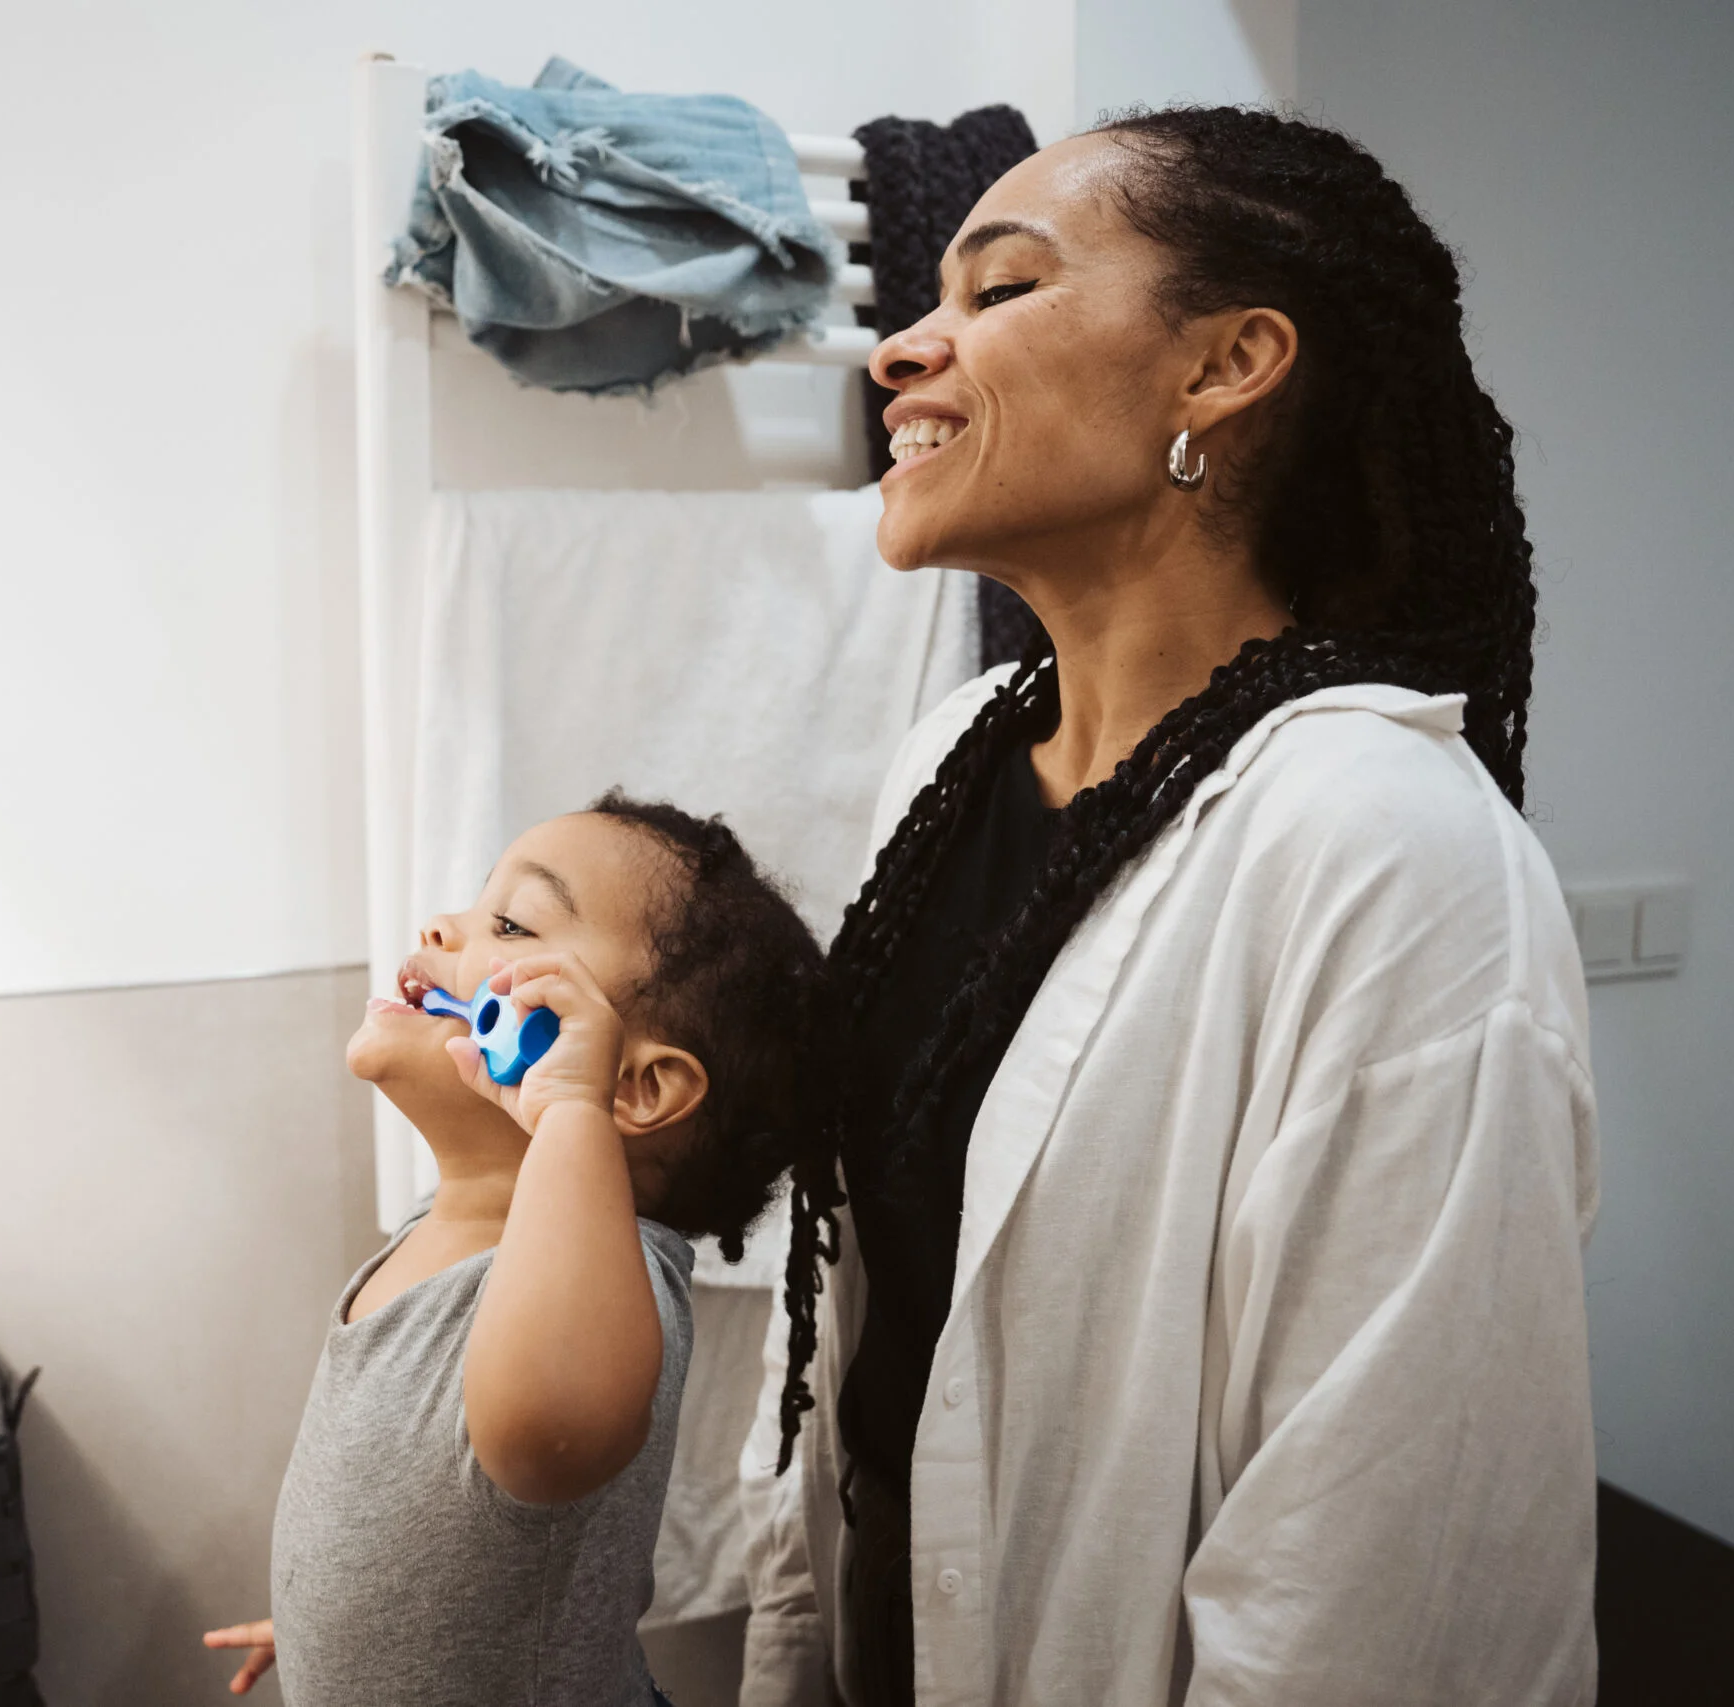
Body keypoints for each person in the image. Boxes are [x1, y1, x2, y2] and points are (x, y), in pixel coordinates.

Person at [740, 107, 1599, 1706]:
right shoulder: (957, 755)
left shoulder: (1388, 842)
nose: (904, 353)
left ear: (1224, 366)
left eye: (998, 292)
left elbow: (1379, 1556)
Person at [205, 793, 823, 1705]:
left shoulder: (613, 1276)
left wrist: (569, 1108)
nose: (441, 927)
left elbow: (544, 1433)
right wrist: (337, 1623)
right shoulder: (437, 1224)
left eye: (510, 920)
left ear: (635, 1085)